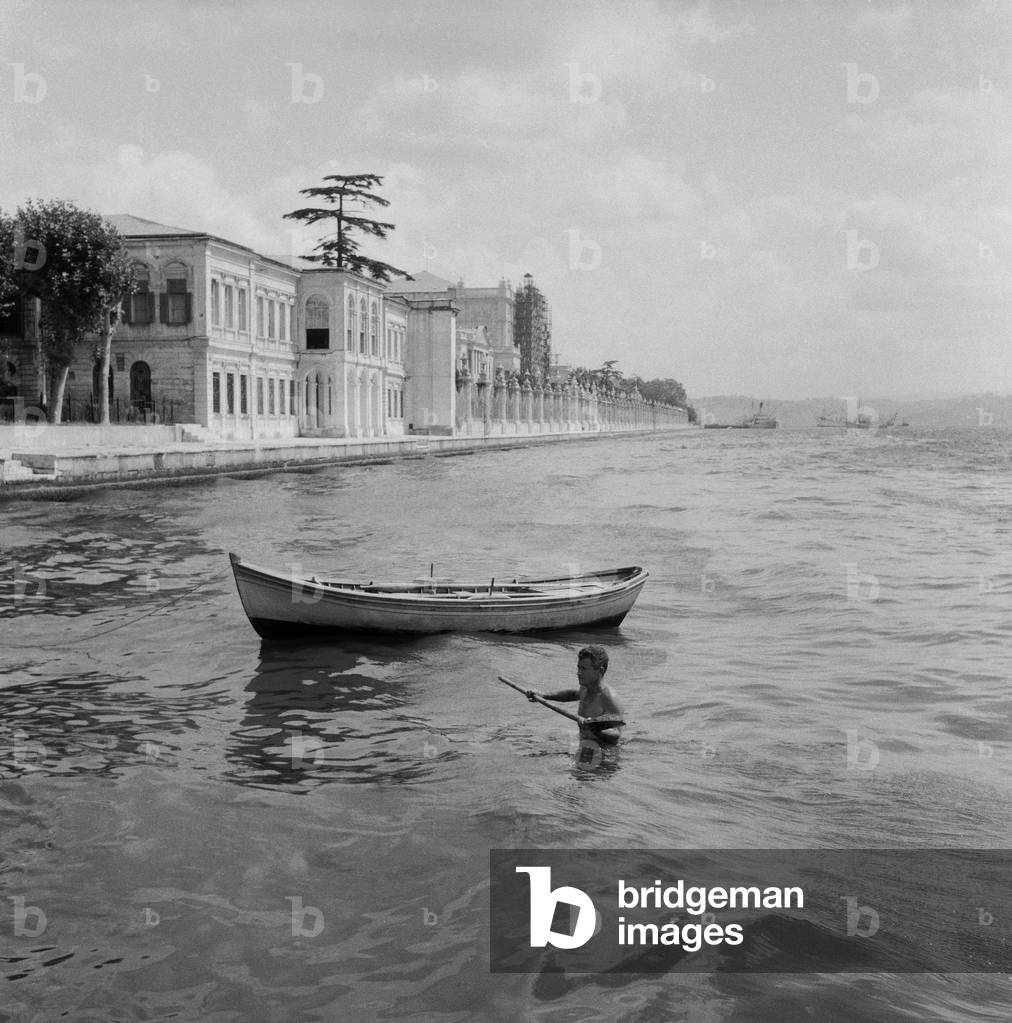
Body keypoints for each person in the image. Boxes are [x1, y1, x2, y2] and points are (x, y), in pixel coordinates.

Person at [527, 645, 625, 746]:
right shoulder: (585, 688)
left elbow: (616, 734)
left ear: (600, 670)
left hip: (604, 753)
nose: (578, 673)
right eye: (578, 668)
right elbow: (573, 694)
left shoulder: (609, 698)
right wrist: (544, 695)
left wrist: (593, 728)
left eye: (584, 669)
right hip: (584, 744)